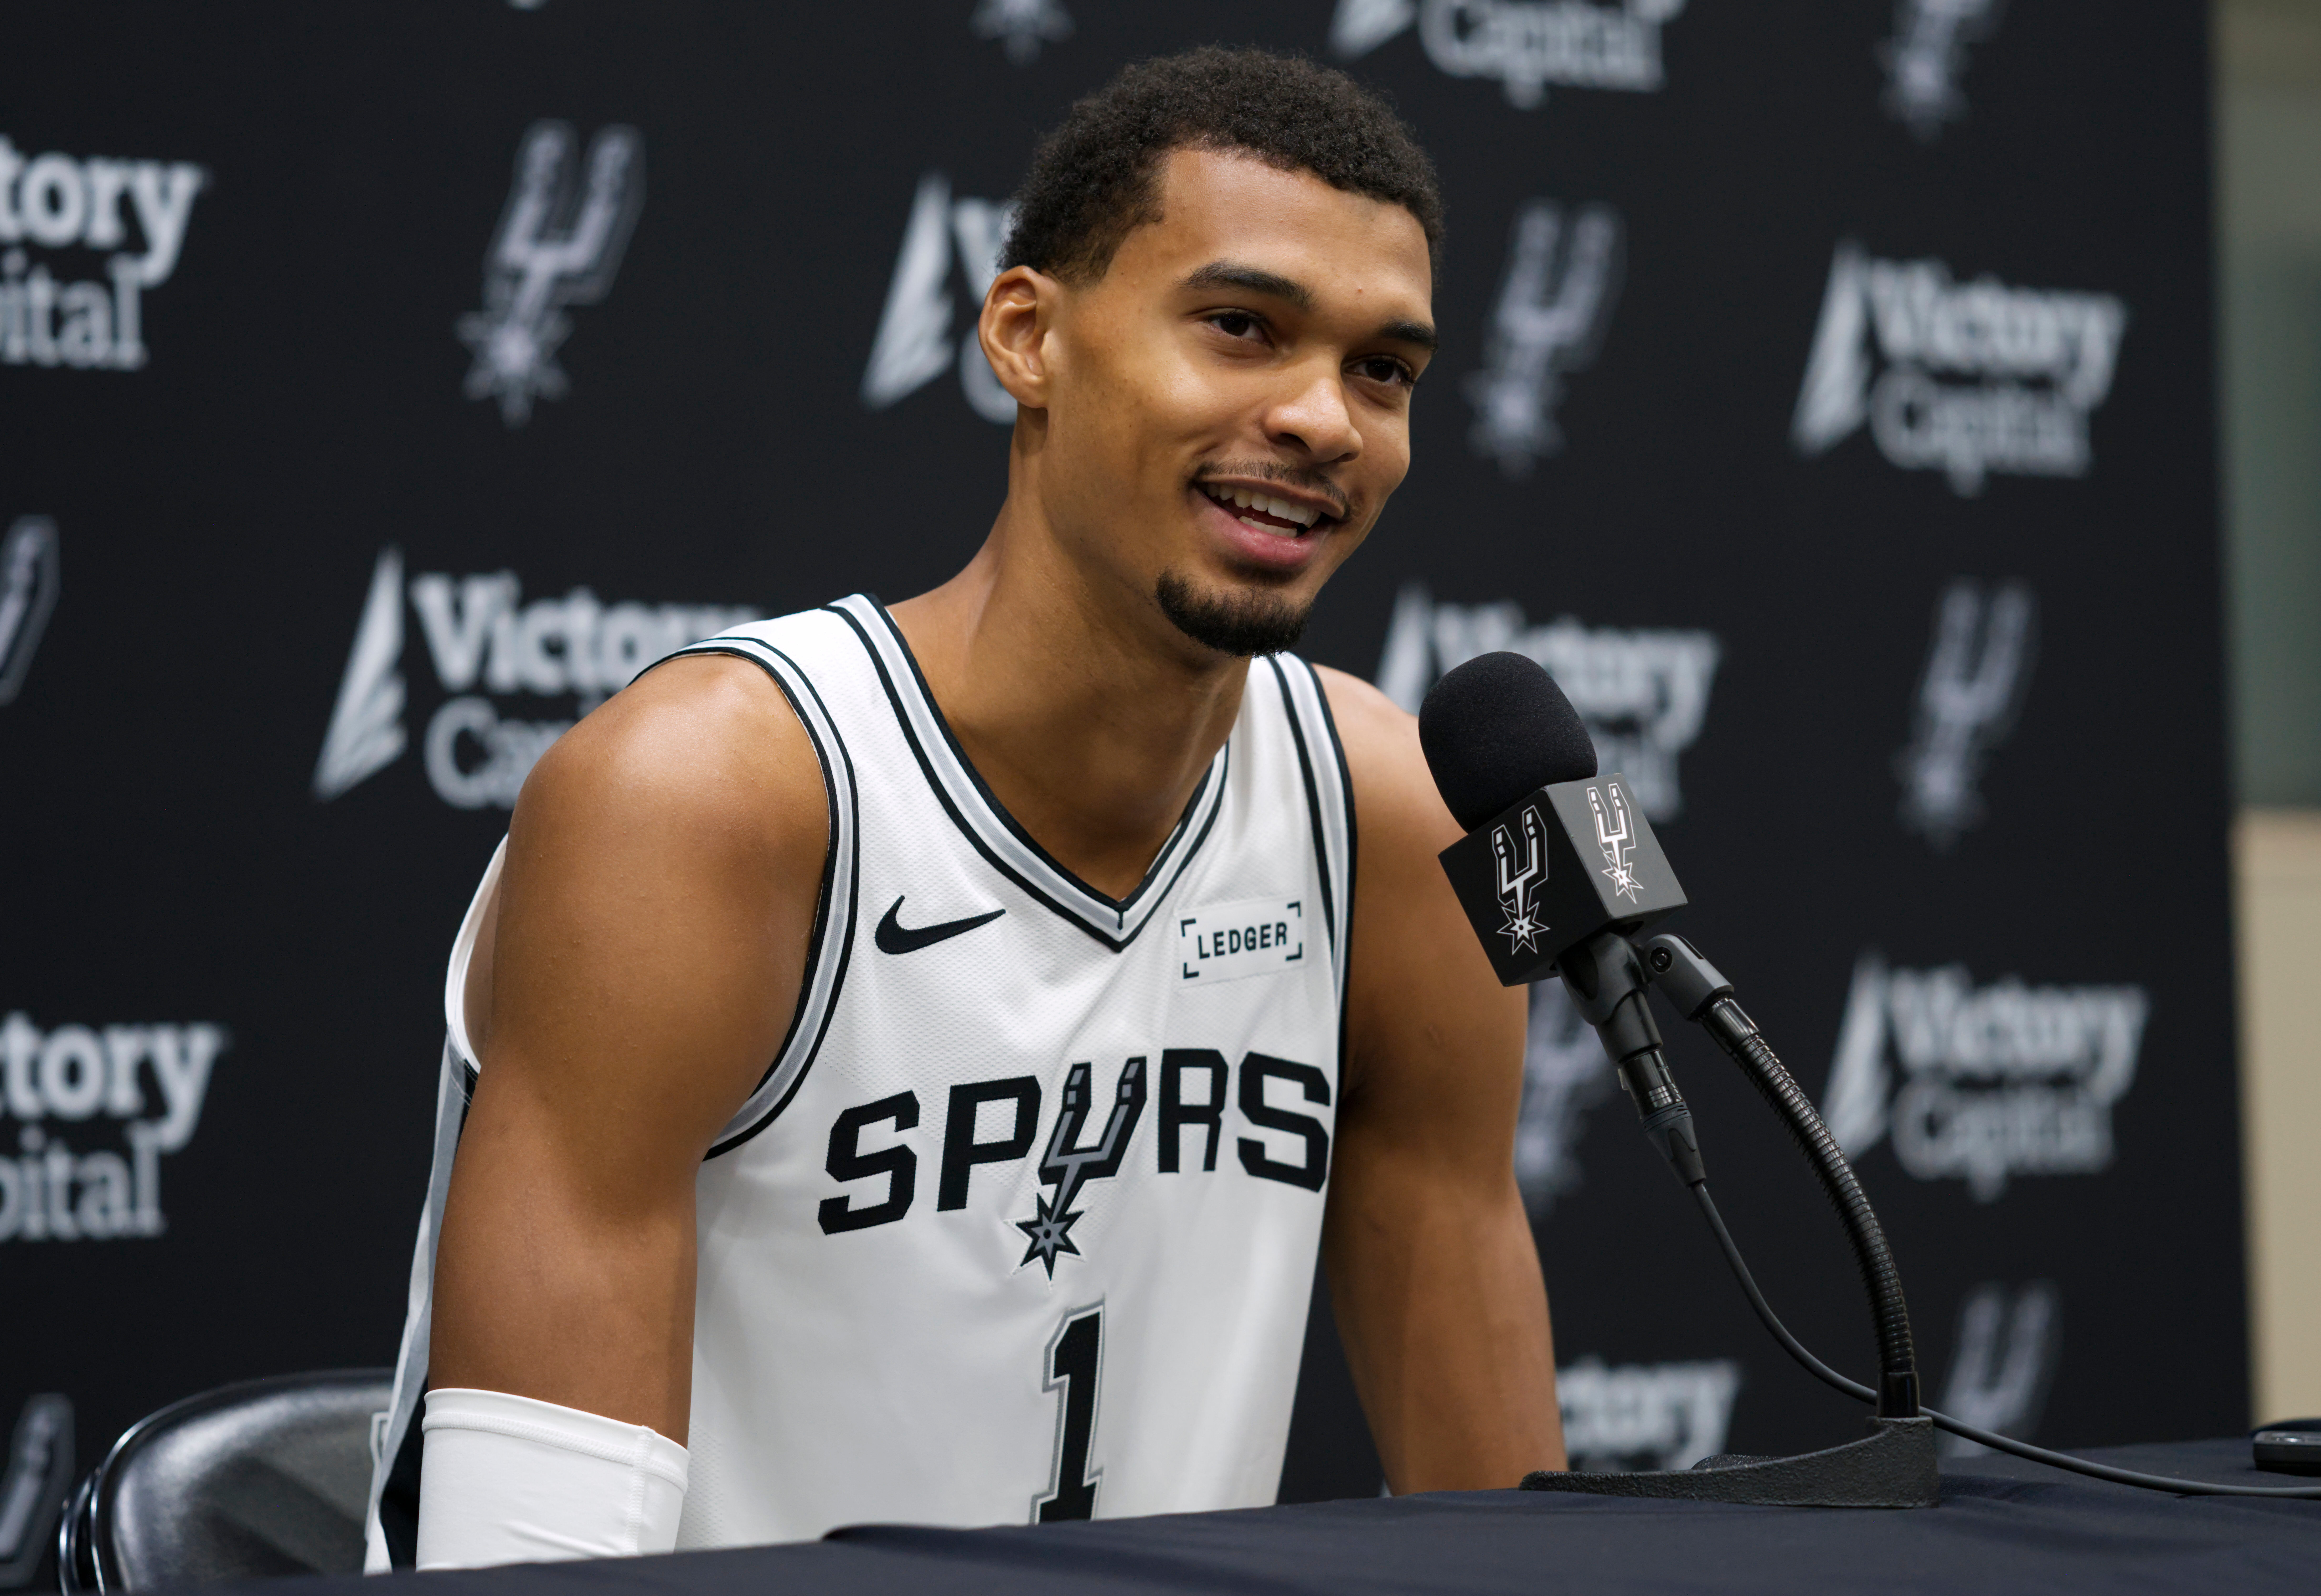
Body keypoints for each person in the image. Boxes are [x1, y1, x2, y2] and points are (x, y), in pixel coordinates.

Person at [364, 46, 1565, 1572]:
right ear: (1026, 337)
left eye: (1382, 371)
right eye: (1242, 329)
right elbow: (535, 1563)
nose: (1326, 418)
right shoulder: (709, 799)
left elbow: (1512, 1538)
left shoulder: (1391, 822)